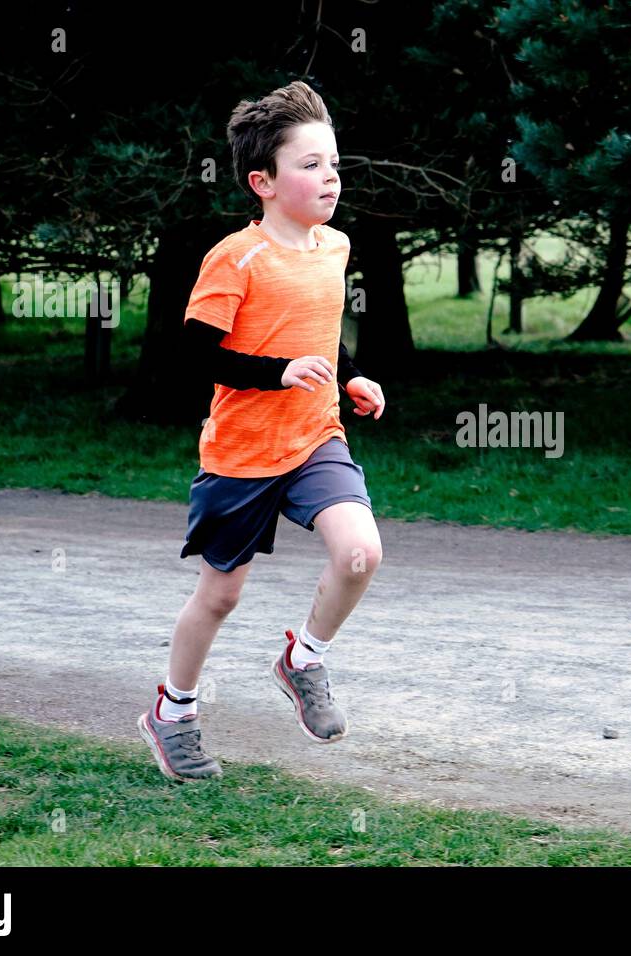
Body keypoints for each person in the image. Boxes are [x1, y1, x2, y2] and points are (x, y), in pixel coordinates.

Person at [138, 80, 385, 781]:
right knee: (220, 596)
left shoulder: (334, 248)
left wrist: (353, 374)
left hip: (315, 439)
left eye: (332, 163)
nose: (329, 177)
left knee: (360, 553)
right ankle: (173, 711)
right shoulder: (234, 258)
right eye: (309, 165)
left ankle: (303, 659)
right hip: (243, 453)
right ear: (264, 182)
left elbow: (322, 336)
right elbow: (194, 353)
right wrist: (276, 372)